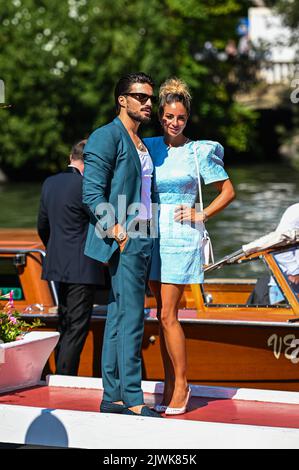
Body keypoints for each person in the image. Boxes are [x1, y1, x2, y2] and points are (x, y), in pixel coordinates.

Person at [143, 78, 235, 415]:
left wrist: (202, 213)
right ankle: (169, 387)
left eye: (180, 117)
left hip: (182, 235)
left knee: (168, 314)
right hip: (152, 233)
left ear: (187, 118)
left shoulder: (199, 151)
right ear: (161, 116)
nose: (174, 122)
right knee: (160, 317)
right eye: (169, 116)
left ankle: (182, 385)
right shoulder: (149, 146)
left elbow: (228, 191)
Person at [82, 72, 161, 418]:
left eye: (150, 98)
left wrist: (150, 232)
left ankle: (112, 396)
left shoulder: (141, 141)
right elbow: (90, 193)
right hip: (125, 238)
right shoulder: (107, 136)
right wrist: (118, 231)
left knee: (118, 317)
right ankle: (132, 397)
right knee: (131, 319)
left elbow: (145, 193)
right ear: (122, 100)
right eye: (141, 97)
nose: (148, 103)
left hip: (143, 235)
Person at [37, 140, 105, 376]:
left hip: (56, 266)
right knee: (76, 329)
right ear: (90, 163)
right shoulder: (87, 186)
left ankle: (57, 376)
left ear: (71, 156)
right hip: (83, 268)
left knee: (64, 324)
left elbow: (42, 226)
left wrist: (56, 249)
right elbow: (103, 223)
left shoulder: (49, 183)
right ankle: (65, 379)